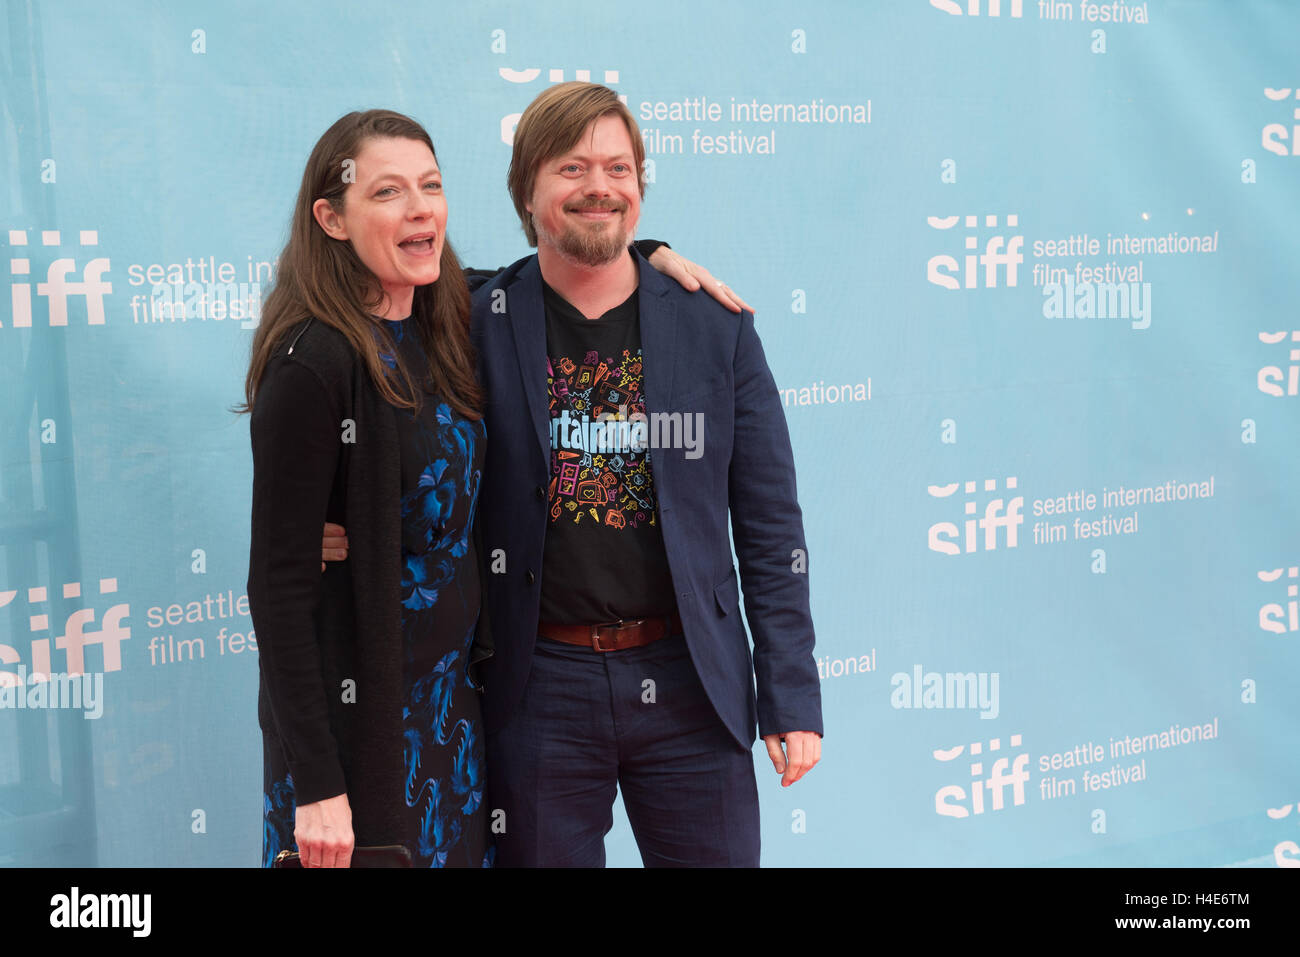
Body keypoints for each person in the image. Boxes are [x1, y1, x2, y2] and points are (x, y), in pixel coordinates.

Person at [246, 108, 742, 869]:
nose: (419, 209)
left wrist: (644, 251)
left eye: (431, 186)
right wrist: (315, 784)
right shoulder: (312, 361)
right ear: (332, 219)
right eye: (386, 192)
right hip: (364, 733)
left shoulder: (445, 315)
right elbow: (278, 593)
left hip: (458, 723)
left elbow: (562, 267)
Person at [470, 82, 822, 867]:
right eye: (571, 168)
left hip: (691, 679)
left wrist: (790, 693)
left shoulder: (715, 326)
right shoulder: (476, 322)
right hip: (539, 689)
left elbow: (771, 527)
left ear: (639, 184)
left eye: (618, 168)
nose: (599, 186)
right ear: (526, 191)